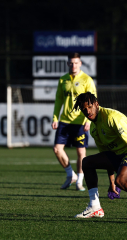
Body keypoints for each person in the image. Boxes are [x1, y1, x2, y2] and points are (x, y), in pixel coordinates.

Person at [73, 92, 127, 219]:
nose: (87, 111)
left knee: (122, 180)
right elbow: (107, 155)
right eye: (84, 109)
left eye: (90, 107)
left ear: (97, 104)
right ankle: (95, 207)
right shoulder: (94, 129)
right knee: (86, 162)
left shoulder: (112, 117)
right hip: (119, 154)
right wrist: (111, 181)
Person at [52, 53, 96, 191]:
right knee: (57, 149)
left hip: (80, 121)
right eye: (71, 63)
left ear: (80, 63)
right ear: (67, 64)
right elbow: (59, 99)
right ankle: (71, 174)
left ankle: (79, 182)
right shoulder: (63, 79)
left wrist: (88, 120)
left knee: (81, 153)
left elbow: (92, 102)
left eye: (76, 63)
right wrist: (55, 117)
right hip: (65, 120)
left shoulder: (87, 79)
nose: (73, 65)